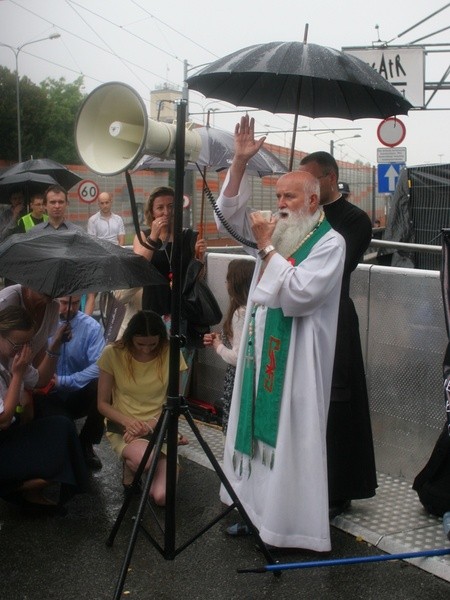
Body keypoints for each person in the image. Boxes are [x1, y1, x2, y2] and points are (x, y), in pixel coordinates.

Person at [215, 116, 345, 551]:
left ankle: (285, 529)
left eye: (289, 196)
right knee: (253, 436)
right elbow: (228, 219)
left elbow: (301, 294)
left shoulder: (330, 242)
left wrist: (267, 247)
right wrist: (238, 161)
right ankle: (253, 515)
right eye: (278, 196)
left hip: (298, 363)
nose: (281, 203)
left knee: (288, 442)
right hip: (261, 352)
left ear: (313, 199)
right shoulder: (280, 229)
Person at [299, 151, 377, 518]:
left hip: (335, 319)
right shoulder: (303, 212)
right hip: (299, 317)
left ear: (330, 179)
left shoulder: (355, 220)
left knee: (338, 403)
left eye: (311, 182)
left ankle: (338, 489)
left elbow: (330, 268)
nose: (305, 190)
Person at [0, 305, 88, 513]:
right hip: (3, 436)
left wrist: (55, 344)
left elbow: (40, 380)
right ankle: (13, 487)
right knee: (54, 448)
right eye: (17, 344)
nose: (22, 350)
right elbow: (3, 420)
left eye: (27, 343)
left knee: (61, 425)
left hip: (11, 432)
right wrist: (18, 375)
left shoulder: (12, 357)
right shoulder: (14, 363)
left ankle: (29, 490)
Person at [97, 310, 187, 505]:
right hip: (125, 426)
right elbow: (102, 404)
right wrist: (130, 423)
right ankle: (137, 466)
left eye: (153, 344)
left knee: (162, 498)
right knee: (145, 460)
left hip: (160, 424)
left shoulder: (171, 352)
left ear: (161, 339)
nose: (146, 350)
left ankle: (160, 464)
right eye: (140, 344)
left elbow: (175, 400)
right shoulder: (112, 353)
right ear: (130, 338)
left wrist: (149, 426)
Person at [133, 185, 207, 393]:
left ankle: (176, 403)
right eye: (160, 208)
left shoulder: (188, 236)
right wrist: (154, 236)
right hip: (154, 308)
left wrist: (200, 257)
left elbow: (197, 277)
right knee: (152, 359)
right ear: (151, 212)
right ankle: (153, 406)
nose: (166, 212)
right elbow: (139, 266)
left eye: (171, 206)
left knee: (180, 362)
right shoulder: (143, 235)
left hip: (182, 310)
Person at [33, 295, 105, 470]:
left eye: (74, 303)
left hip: (76, 390)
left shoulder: (91, 327)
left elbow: (100, 366)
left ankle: (87, 442)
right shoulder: (41, 323)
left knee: (105, 386)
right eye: (64, 303)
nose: (70, 308)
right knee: (63, 429)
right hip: (48, 392)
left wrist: (66, 381)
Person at [203, 259, 254, 435]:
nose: (225, 283)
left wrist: (218, 346)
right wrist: (223, 339)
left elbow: (237, 357)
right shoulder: (256, 308)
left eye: (228, 279)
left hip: (238, 378)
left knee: (233, 427)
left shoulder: (240, 313)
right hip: (251, 379)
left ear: (236, 283)